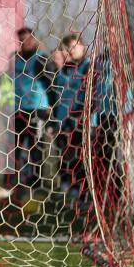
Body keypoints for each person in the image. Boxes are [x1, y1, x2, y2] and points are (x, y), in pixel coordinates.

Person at [11, 28, 56, 190]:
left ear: (34, 40)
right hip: (18, 109)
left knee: (35, 146)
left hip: (37, 109)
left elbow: (52, 85)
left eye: (28, 39)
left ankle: (36, 184)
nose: (25, 42)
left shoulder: (41, 59)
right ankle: (14, 182)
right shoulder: (16, 59)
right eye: (22, 39)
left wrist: (52, 107)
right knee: (15, 147)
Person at [52, 33, 91, 203]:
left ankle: (85, 195)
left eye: (75, 46)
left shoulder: (88, 66)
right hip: (63, 121)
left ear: (83, 46)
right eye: (68, 48)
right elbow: (57, 96)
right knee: (66, 157)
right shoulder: (64, 70)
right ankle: (70, 190)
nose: (71, 50)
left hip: (81, 121)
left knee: (82, 158)